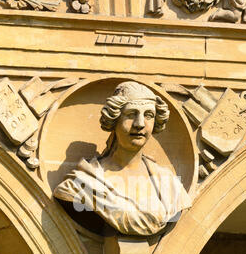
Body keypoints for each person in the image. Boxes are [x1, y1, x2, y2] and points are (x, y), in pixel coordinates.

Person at [54, 81, 192, 236]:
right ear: (114, 119)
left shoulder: (169, 185)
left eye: (148, 115)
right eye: (131, 114)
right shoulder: (81, 183)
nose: (140, 124)